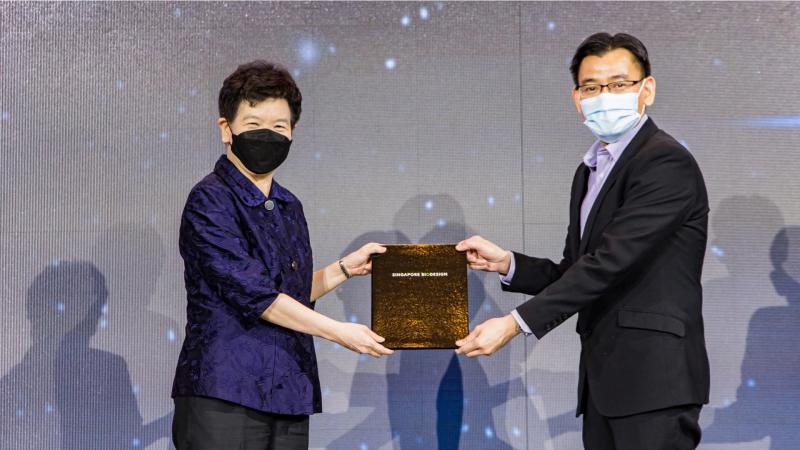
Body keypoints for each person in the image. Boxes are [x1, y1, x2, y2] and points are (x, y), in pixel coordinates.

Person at [455, 33, 710, 449]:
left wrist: (515, 324)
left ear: (647, 89)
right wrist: (508, 264)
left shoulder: (665, 161)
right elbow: (577, 269)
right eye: (591, 87)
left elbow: (609, 263)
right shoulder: (590, 170)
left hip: (655, 381)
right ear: (577, 98)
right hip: (605, 383)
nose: (604, 96)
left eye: (619, 84)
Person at [171, 60, 393, 450]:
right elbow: (255, 295)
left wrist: (344, 269)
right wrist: (339, 332)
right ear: (226, 129)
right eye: (254, 124)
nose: (267, 136)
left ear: (293, 133)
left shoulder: (289, 205)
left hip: (288, 389)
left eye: (279, 127)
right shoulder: (210, 200)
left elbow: (289, 293)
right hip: (227, 389)